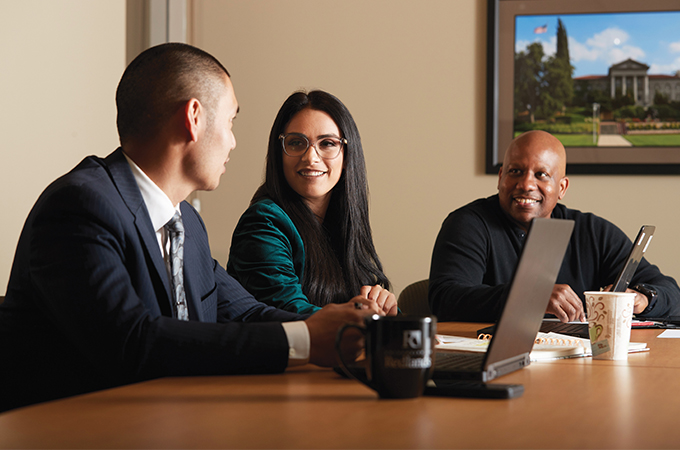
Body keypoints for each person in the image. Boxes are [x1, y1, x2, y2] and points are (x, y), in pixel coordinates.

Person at [0, 43, 382, 413]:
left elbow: (246, 313)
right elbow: (133, 342)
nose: (233, 142)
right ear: (194, 117)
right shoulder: (80, 206)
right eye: (231, 121)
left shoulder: (187, 223)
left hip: (168, 424)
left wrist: (345, 327)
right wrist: (307, 338)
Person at [428, 130, 680, 323]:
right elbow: (446, 298)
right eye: (515, 171)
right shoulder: (469, 224)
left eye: (541, 175)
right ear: (500, 178)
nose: (526, 184)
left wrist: (641, 300)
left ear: (562, 188)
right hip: (494, 367)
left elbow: (671, 292)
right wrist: (530, 296)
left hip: (580, 369)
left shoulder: (593, 232)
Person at [227, 90, 397, 316]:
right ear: (279, 154)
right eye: (296, 142)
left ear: (347, 156)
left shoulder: (342, 223)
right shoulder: (262, 223)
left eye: (327, 143)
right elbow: (289, 312)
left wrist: (384, 309)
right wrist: (365, 320)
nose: (311, 158)